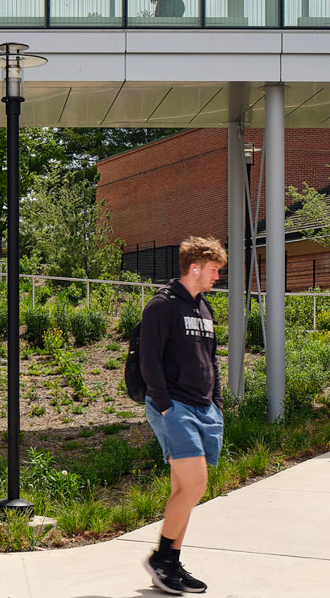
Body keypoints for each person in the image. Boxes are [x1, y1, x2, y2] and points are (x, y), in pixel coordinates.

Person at [137, 236, 227, 595]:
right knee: (195, 484)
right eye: (214, 269)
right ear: (195, 268)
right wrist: (163, 404)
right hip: (174, 406)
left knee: (183, 489)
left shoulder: (204, 308)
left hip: (204, 407)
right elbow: (149, 359)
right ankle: (161, 559)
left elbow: (211, 360)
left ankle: (169, 563)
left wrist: (216, 401)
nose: (217, 276)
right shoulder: (163, 305)